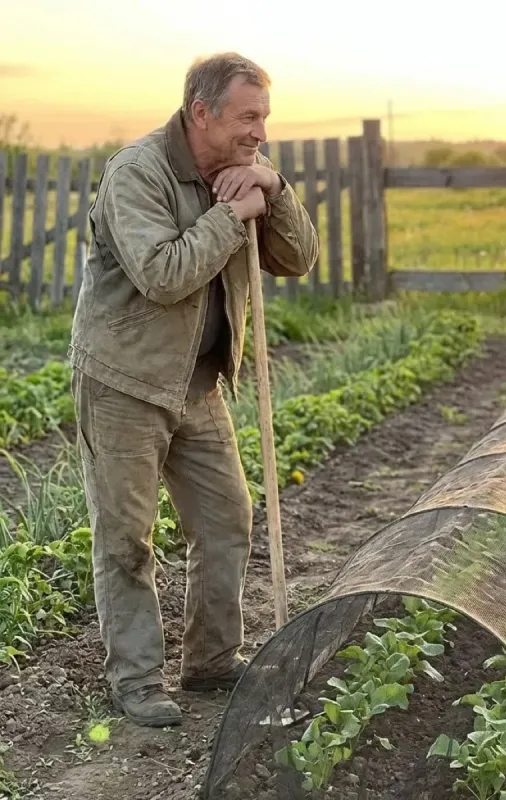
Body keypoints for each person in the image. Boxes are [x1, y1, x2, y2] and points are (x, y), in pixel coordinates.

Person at [68, 52, 319, 728]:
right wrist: (231, 215)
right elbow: (162, 274)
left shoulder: (242, 171)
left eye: (263, 118)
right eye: (247, 118)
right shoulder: (138, 173)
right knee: (127, 539)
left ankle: (210, 660)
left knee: (226, 520)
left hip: (198, 385)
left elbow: (298, 259)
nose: (258, 130)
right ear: (201, 113)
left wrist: (272, 186)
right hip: (125, 381)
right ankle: (137, 680)